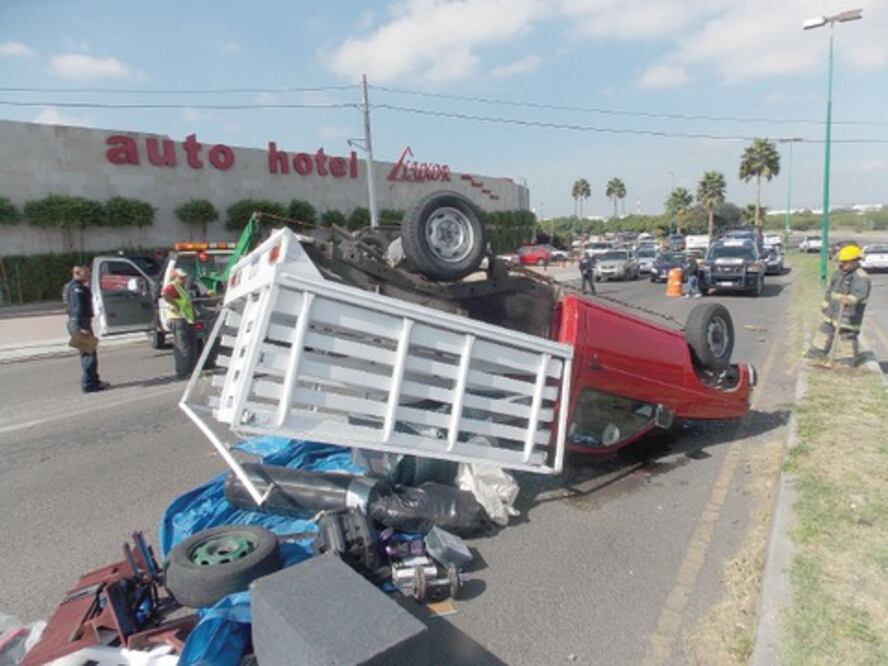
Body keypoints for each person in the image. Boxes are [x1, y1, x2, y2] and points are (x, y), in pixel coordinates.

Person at [805, 245, 871, 365]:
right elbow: (831, 289)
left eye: (846, 262)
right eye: (842, 261)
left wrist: (850, 299)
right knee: (824, 330)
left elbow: (861, 293)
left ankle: (847, 360)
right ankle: (817, 353)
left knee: (847, 336)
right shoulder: (839, 272)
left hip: (849, 314)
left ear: (855, 261)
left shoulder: (861, 276)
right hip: (832, 311)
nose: (842, 264)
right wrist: (825, 303)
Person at [63, 265, 109, 393]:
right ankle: (89, 384)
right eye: (86, 273)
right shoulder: (78, 289)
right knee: (89, 355)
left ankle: (94, 380)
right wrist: (82, 327)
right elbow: (78, 309)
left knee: (88, 353)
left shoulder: (69, 286)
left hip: (74, 322)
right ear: (77, 273)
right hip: (80, 323)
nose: (89, 275)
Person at [163, 268, 197, 378]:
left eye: (184, 278)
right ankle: (183, 372)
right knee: (183, 347)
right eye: (181, 278)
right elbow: (165, 294)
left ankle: (190, 371)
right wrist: (175, 305)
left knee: (189, 346)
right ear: (175, 277)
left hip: (184, 319)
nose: (183, 279)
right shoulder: (173, 285)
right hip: (177, 319)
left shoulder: (181, 287)